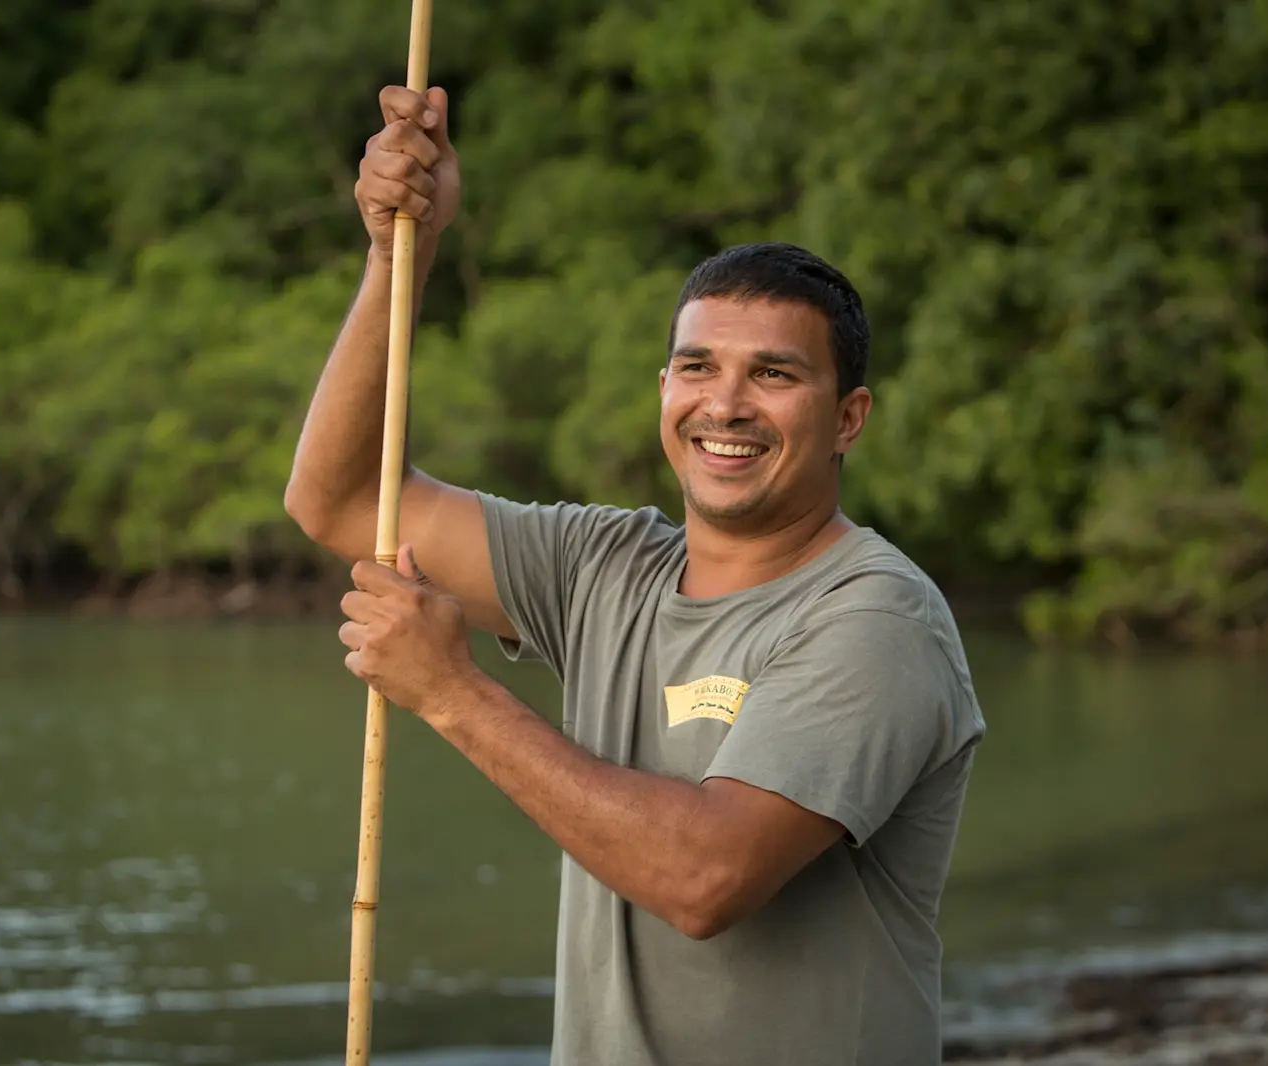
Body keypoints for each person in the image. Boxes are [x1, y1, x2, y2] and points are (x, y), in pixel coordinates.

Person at [285, 84, 987, 1066]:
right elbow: (342, 498)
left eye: (774, 375)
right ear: (663, 390)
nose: (726, 404)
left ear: (849, 418)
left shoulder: (878, 619)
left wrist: (453, 694)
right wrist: (398, 257)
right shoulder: (602, 566)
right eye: (697, 367)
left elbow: (706, 877)